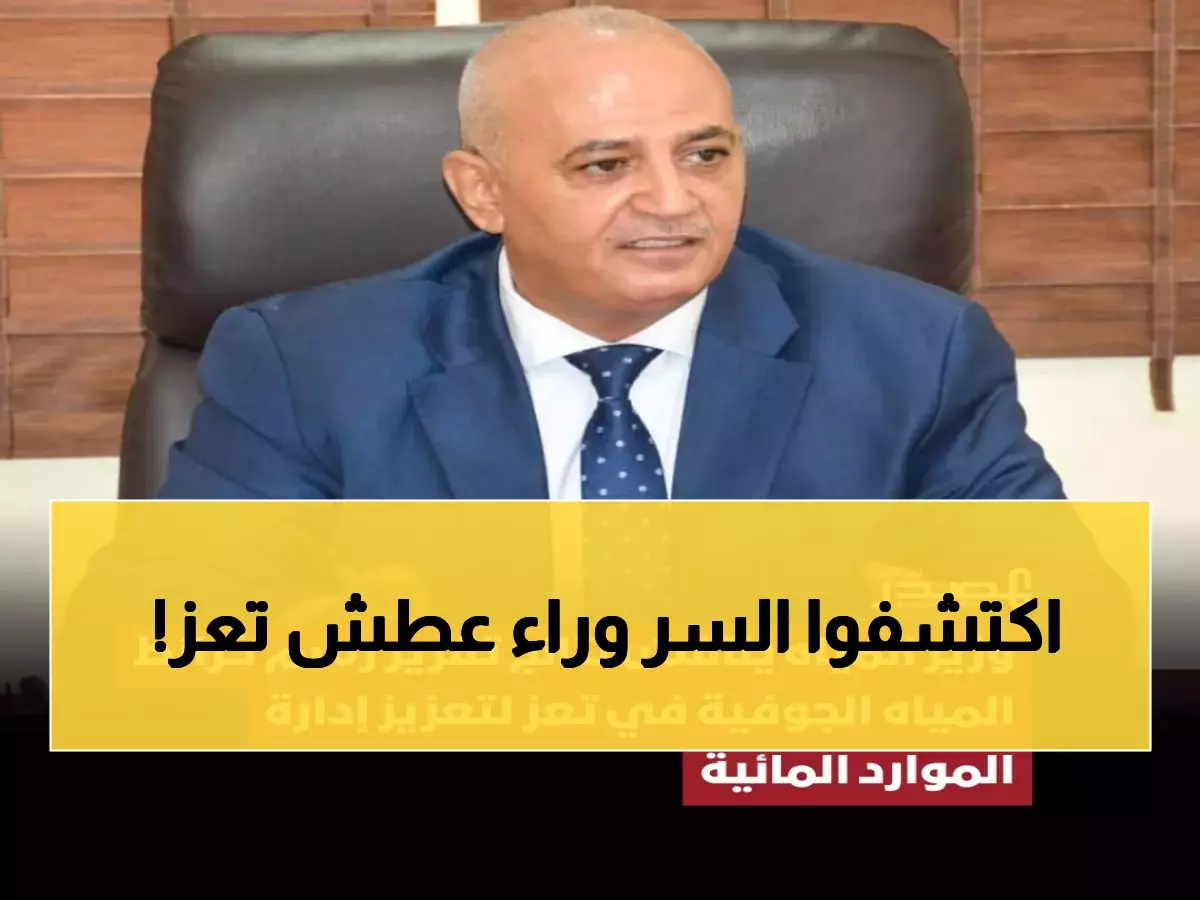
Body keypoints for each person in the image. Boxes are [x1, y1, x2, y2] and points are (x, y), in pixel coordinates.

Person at [156, 6, 1064, 501]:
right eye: (604, 165)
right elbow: (182, 650)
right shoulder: (306, 368)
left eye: (705, 155)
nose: (673, 202)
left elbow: (1056, 640)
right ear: (482, 192)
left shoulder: (915, 356)